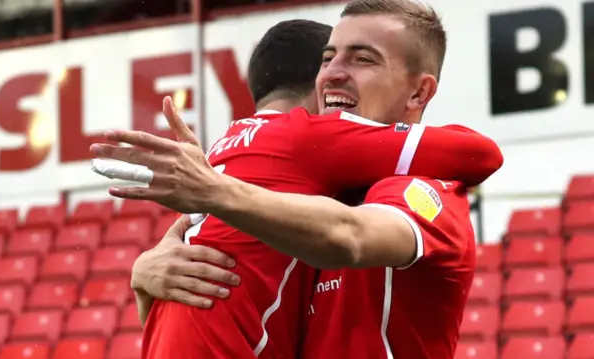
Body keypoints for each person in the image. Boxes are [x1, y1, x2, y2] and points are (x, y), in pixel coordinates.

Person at [91, 3, 502, 358]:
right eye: (327, 58)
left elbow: (348, 238)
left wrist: (215, 192)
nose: (332, 73)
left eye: (363, 59)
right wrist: (147, 281)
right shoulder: (305, 198)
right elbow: (222, 305)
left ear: (419, 94)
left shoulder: (426, 186)